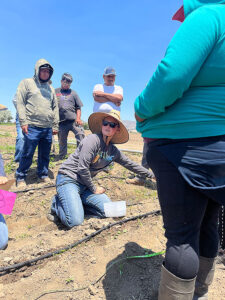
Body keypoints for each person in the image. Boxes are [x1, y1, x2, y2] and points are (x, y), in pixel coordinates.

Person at [134, 1, 225, 299]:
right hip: (217, 148)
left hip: (183, 147)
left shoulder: (209, 15)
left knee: (182, 236)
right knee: (209, 221)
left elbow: (171, 74)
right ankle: (200, 290)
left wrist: (141, 110)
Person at [48, 110, 154, 228]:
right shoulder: (93, 140)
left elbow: (130, 164)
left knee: (110, 212)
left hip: (85, 185)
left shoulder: (113, 151)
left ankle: (75, 203)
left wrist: (152, 175)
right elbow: (82, 168)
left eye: (112, 125)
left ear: (117, 129)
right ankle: (56, 203)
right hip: (69, 179)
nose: (108, 126)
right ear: (102, 125)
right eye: (106, 123)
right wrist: (94, 188)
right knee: (75, 221)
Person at [15, 58, 59, 187]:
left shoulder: (51, 88)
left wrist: (55, 125)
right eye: (43, 70)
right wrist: (23, 121)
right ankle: (21, 176)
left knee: (45, 154)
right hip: (32, 125)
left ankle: (42, 175)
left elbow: (55, 107)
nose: (45, 73)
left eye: (48, 72)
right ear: (37, 70)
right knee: (28, 153)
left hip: (47, 127)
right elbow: (20, 102)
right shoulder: (27, 83)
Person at [55, 73, 85, 159]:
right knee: (62, 141)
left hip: (73, 121)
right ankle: (62, 157)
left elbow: (78, 107)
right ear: (61, 81)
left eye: (69, 83)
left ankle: (80, 156)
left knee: (80, 135)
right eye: (65, 82)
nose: (67, 84)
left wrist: (78, 118)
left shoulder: (74, 93)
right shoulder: (55, 91)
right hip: (61, 122)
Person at [12, 94, 24, 163]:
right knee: (21, 137)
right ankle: (18, 160)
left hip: (33, 117)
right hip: (21, 115)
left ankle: (26, 158)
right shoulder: (23, 86)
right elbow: (15, 100)